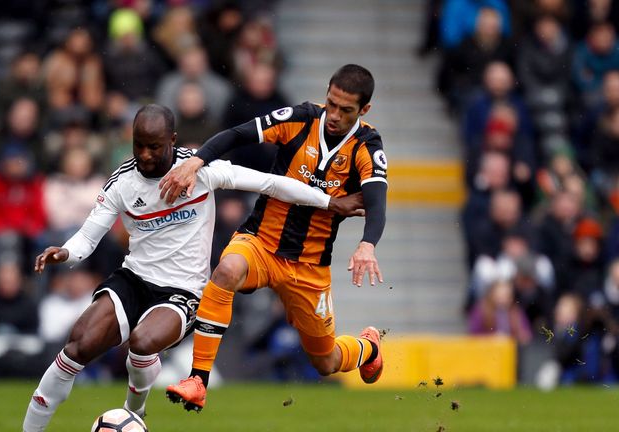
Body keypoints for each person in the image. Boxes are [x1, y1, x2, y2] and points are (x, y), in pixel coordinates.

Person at [21, 104, 364, 431]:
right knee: (77, 346)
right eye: (139, 145)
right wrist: (64, 253)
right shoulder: (122, 182)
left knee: (142, 342)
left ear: (172, 141)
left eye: (154, 147)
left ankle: (134, 413)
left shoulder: (201, 171)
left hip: (183, 291)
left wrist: (330, 201)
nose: (145, 155)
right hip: (134, 279)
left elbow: (270, 183)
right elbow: (87, 238)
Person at [162, 64, 388, 412]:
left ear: (364, 110)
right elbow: (237, 134)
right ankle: (198, 380)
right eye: (332, 104)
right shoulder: (299, 118)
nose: (334, 115)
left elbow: (376, 201)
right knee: (225, 270)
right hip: (261, 242)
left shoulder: (367, 145)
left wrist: (367, 244)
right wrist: (197, 161)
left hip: (310, 267)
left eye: (346, 110)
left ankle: (368, 347)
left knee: (325, 363)